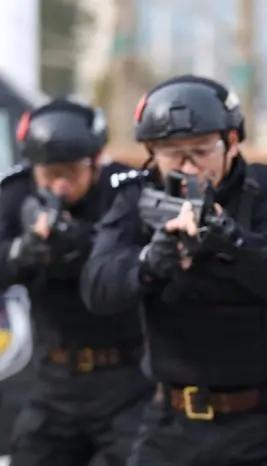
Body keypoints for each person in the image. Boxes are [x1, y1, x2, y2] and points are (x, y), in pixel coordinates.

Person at [81, 75, 267, 466]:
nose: (188, 166)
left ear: (231, 143)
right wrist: (150, 262)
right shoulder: (135, 196)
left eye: (200, 150)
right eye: (171, 153)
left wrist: (232, 242)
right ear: (151, 152)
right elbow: (97, 287)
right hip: (173, 421)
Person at [0, 99, 153, 466]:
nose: (60, 185)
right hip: (54, 379)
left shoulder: (125, 190)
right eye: (49, 174)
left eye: (71, 171)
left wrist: (85, 245)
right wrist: (22, 252)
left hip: (126, 379)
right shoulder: (16, 192)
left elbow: (147, 261)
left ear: (95, 162)